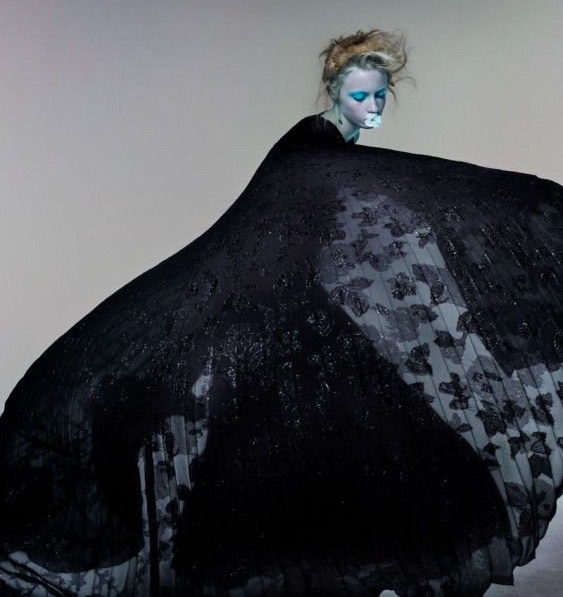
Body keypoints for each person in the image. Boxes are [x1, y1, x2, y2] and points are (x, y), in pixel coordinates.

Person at [1, 29, 562, 597]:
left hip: (302, 313)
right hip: (268, 317)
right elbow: (265, 234)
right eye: (359, 96)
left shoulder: (334, 152)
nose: (371, 107)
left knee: (355, 453)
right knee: (283, 447)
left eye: (379, 95)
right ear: (334, 90)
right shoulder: (309, 146)